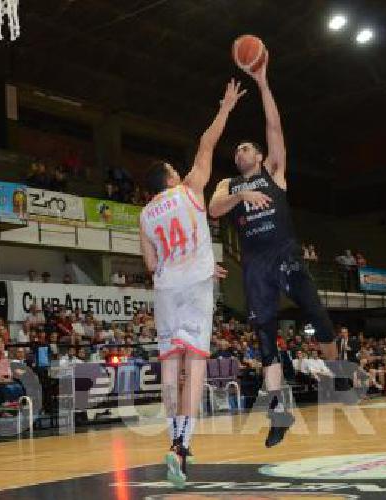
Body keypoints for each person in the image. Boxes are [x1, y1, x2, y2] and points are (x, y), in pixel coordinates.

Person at [207, 54, 354, 450]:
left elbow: (274, 126)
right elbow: (213, 208)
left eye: (246, 149)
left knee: (320, 321)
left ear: (259, 156)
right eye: (236, 151)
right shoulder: (228, 185)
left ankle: (339, 371)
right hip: (255, 268)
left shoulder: (275, 172)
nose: (240, 154)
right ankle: (279, 414)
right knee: (266, 344)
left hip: (286, 257)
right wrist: (242, 193)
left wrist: (263, 82)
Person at [139, 79, 241, 489]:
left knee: (171, 368)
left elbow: (152, 263)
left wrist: (199, 264)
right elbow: (207, 142)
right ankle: (181, 445)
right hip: (195, 288)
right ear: (169, 176)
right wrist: (226, 107)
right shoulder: (190, 188)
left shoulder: (145, 215)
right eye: (173, 169)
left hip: (167, 290)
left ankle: (173, 438)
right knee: (196, 365)